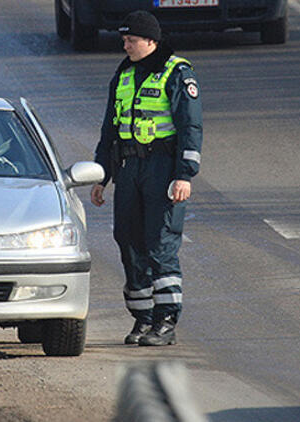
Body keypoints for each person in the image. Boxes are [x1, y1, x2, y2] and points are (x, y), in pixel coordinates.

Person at [90, 10, 203, 346]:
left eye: (131, 40)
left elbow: (190, 127)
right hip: (129, 170)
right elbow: (110, 128)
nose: (125, 45)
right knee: (128, 242)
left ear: (151, 41)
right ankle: (143, 319)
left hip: (162, 170)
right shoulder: (124, 73)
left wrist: (184, 175)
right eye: (124, 40)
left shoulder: (177, 73)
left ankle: (166, 322)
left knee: (160, 244)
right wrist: (102, 175)